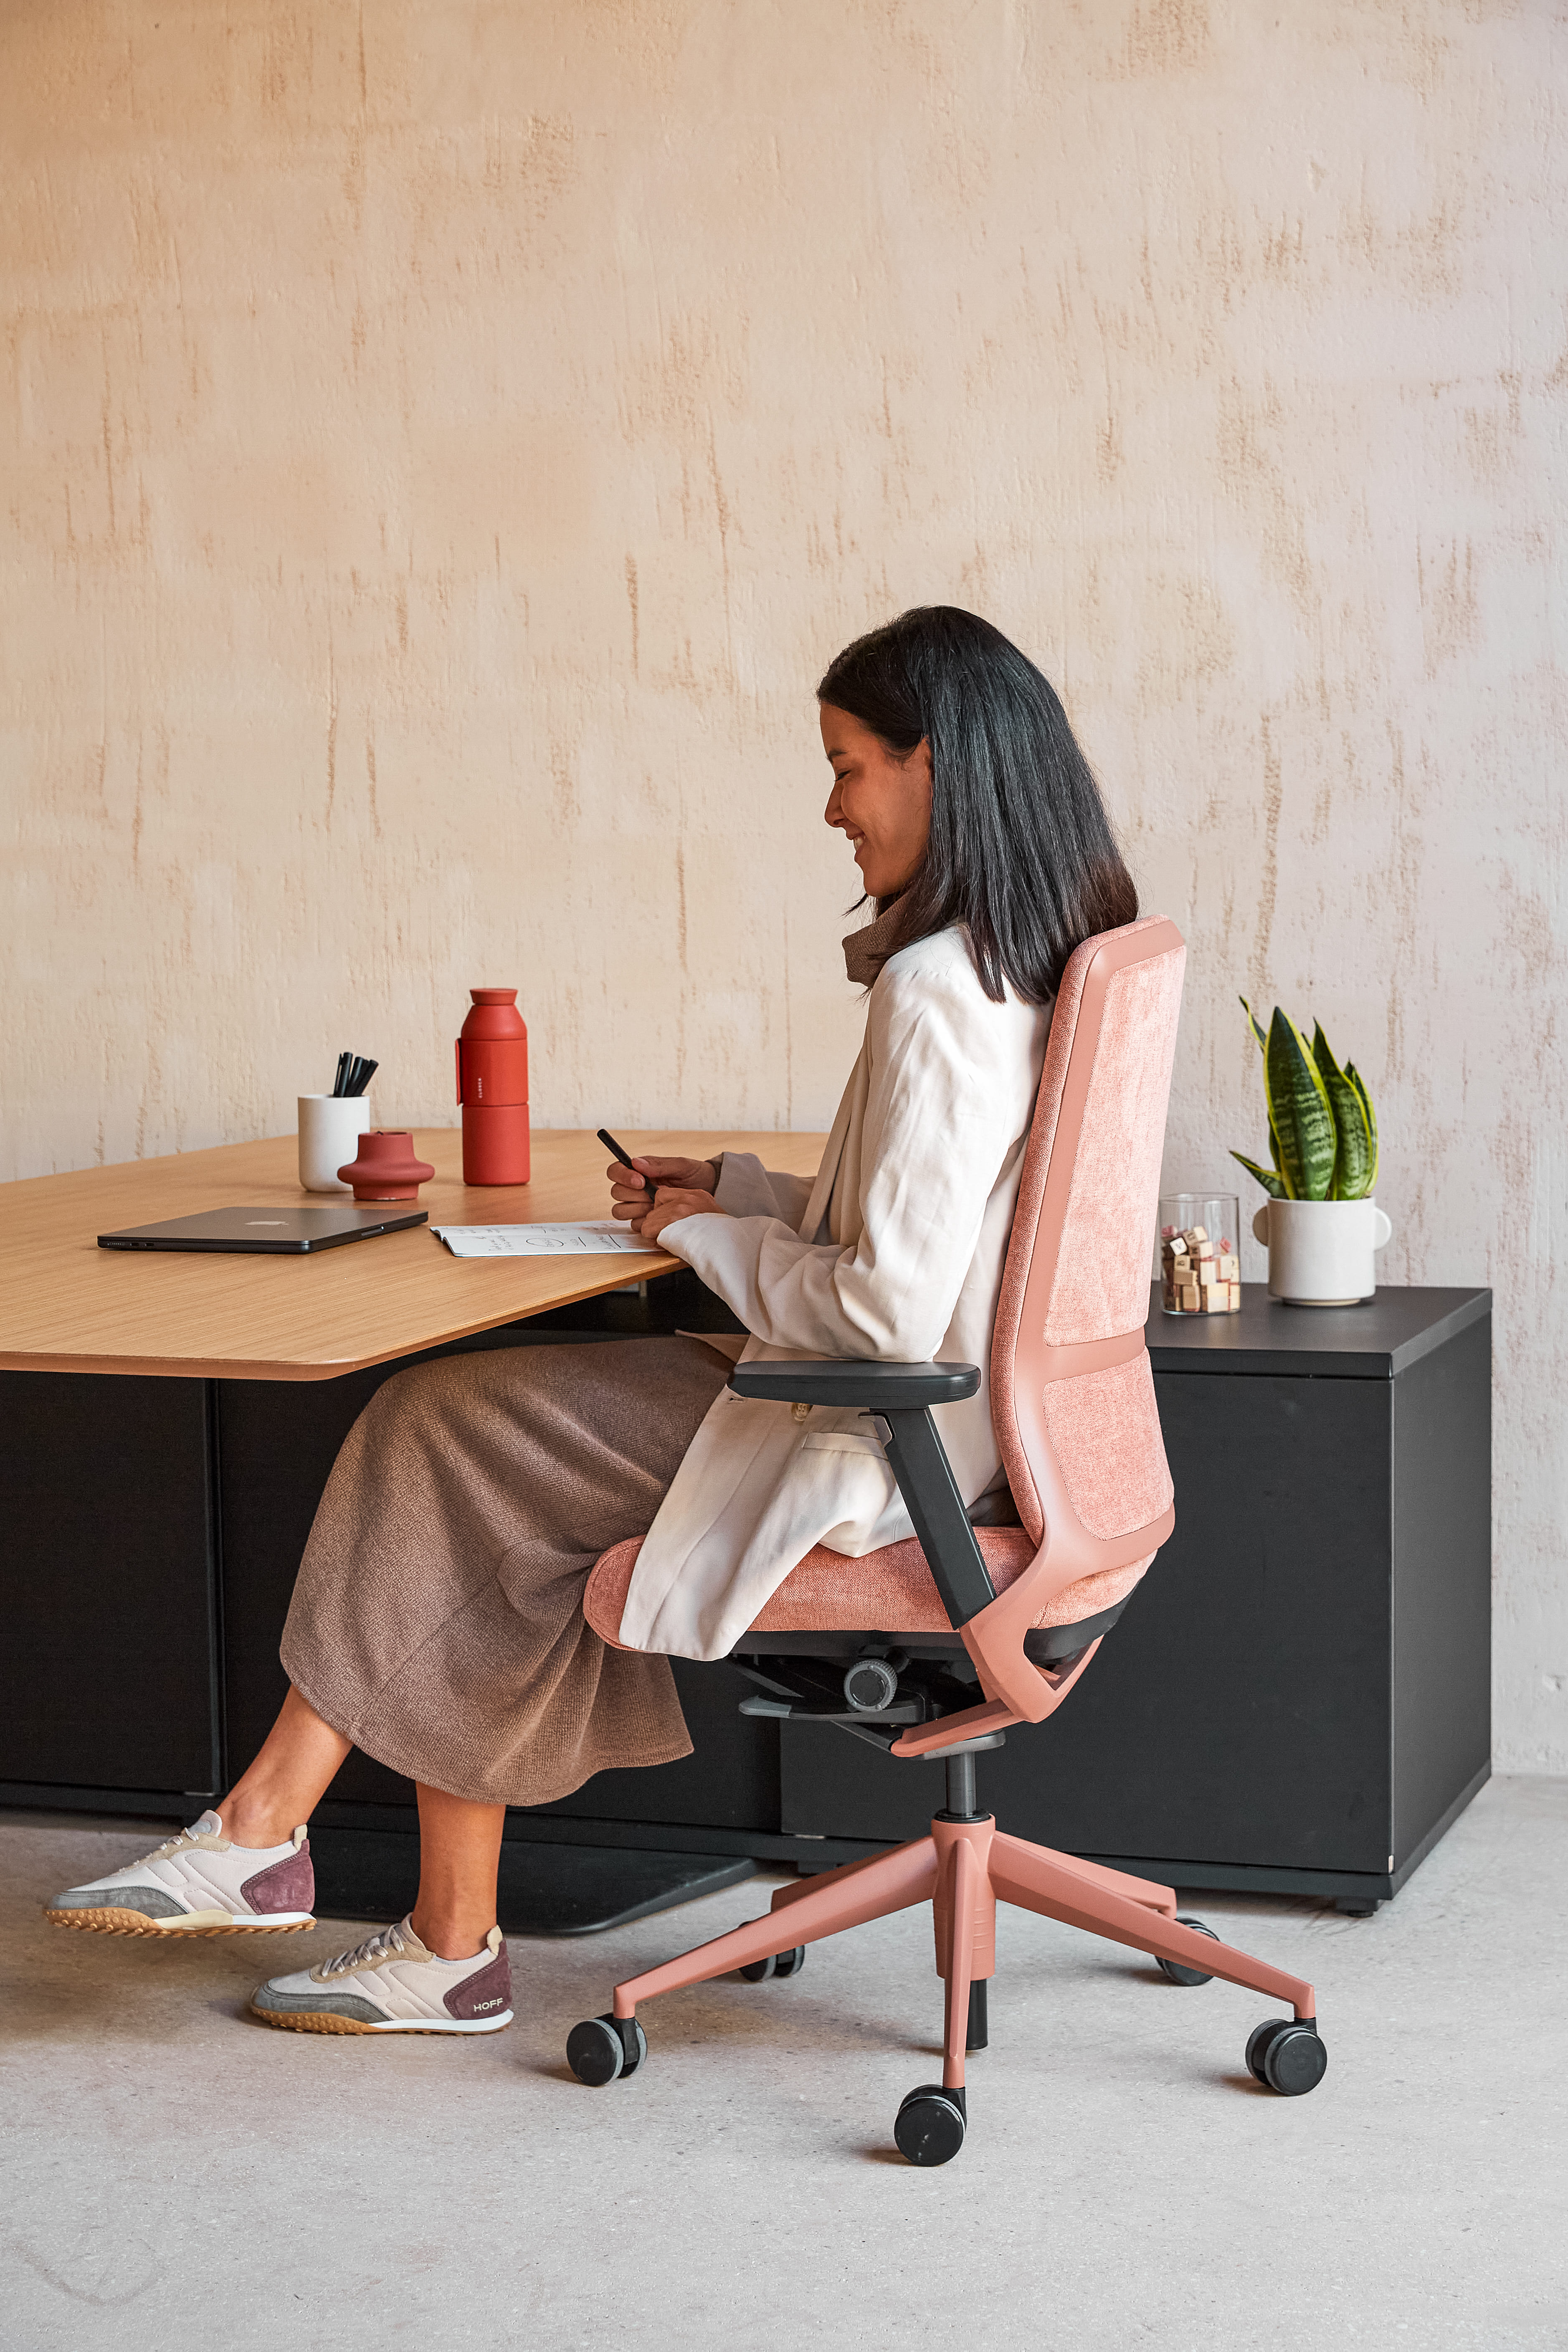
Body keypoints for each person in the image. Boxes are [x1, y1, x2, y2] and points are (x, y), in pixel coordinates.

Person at [46, 606, 1138, 2038]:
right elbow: (949, 1222)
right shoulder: (1035, 955)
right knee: (479, 1456)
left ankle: (294, 1851)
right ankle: (384, 1908)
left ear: (933, 763)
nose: (830, 809)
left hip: (877, 1437)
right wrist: (737, 1188)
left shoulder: (934, 988)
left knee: (440, 1428)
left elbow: (882, 1306)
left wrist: (696, 1234)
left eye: (846, 767)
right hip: (985, 1435)